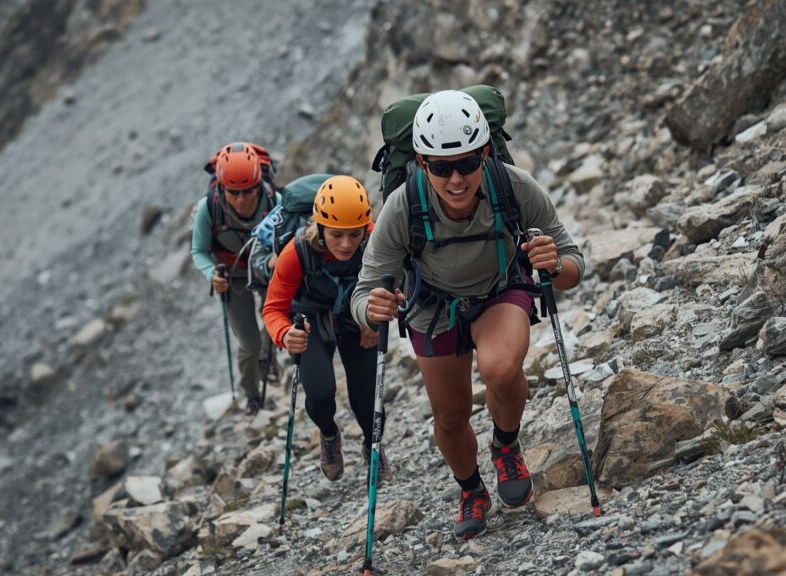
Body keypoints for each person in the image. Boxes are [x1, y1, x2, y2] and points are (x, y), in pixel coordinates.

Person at [352, 90, 585, 540]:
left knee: (500, 370)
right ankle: (470, 489)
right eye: (440, 167)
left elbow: (573, 264)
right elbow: (364, 291)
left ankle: (505, 444)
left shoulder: (513, 185)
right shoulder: (402, 206)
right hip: (432, 308)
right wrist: (371, 308)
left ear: (484, 153)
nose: (455, 179)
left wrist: (553, 264)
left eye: (467, 163)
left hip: (500, 290)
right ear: (421, 163)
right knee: (451, 415)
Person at [262, 175, 387, 482]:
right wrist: (284, 334)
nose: (346, 244)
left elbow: (393, 285)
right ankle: (329, 436)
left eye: (354, 234)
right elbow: (273, 309)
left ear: (365, 228)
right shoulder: (297, 252)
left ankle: (373, 446)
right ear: (319, 227)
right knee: (319, 396)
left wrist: (375, 321)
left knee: (368, 401)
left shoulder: (375, 242)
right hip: (311, 321)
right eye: (336, 235)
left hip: (356, 318)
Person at [190, 142, 280, 415]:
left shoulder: (274, 202)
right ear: (221, 188)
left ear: (258, 184)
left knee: (274, 329)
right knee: (249, 343)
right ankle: (252, 394)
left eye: (248, 191)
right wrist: (212, 275)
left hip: (266, 271)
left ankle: (269, 362)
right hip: (232, 278)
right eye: (233, 192)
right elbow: (198, 250)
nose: (241, 199)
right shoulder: (209, 209)